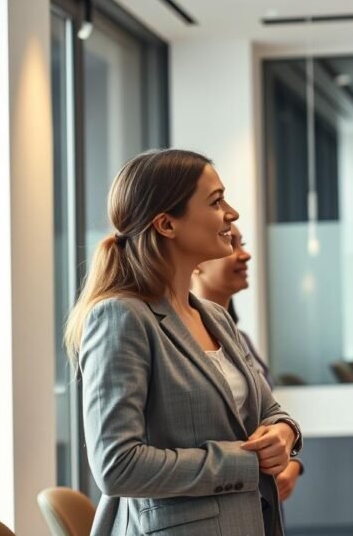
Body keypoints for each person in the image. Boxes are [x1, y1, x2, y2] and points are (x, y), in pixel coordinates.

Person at [65, 149, 302, 536]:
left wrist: (284, 434)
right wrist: (245, 463)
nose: (232, 213)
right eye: (215, 201)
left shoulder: (216, 316)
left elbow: (272, 412)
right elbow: (117, 465)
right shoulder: (122, 317)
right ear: (167, 225)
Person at [191, 222, 302, 502]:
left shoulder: (240, 340)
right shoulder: (176, 342)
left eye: (242, 244)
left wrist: (290, 458)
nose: (244, 255)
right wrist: (251, 465)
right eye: (230, 243)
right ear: (196, 262)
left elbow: (268, 413)